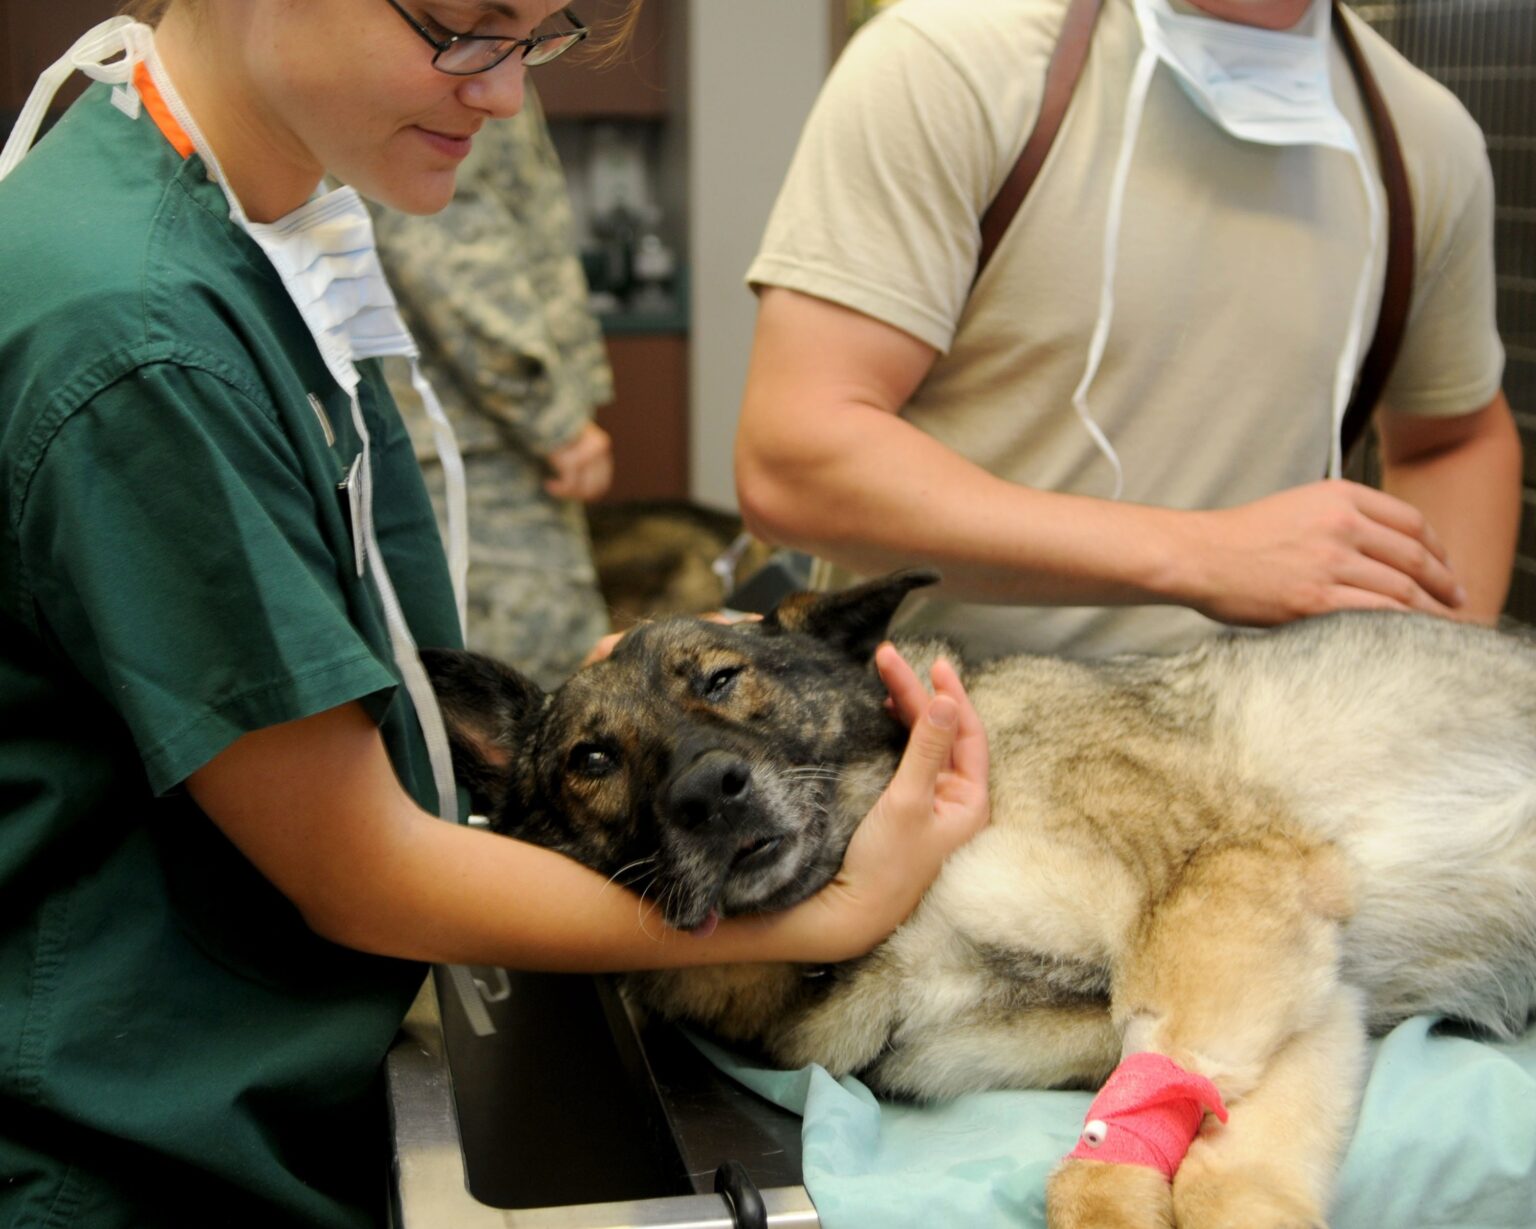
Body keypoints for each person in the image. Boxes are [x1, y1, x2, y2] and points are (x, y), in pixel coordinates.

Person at [0, 3, 990, 1228]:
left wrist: (629, 712)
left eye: (539, 39)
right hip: (139, 1156)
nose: (505, 95)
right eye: (462, 29)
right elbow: (360, 869)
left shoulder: (271, 233)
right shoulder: (141, 338)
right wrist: (841, 906)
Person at [736, 0, 1524, 661]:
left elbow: (1454, 437)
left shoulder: (1424, 140)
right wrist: (1203, 554)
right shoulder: (953, 63)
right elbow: (795, 458)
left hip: (1269, 765)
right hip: (944, 756)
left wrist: (1430, 675)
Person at [373, 90, 616, 689]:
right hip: (474, 444)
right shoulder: (451, 57)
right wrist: (552, 420)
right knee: (534, 702)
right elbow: (446, 247)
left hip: (461, 433)